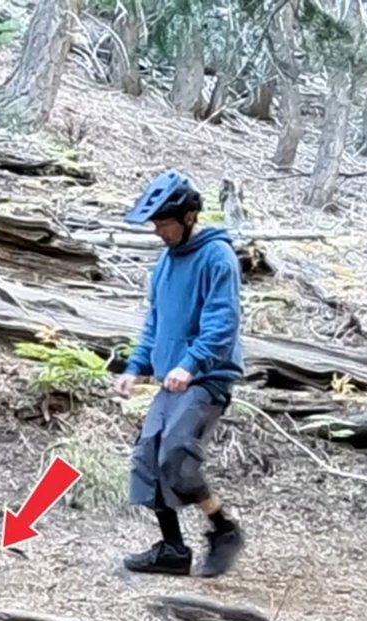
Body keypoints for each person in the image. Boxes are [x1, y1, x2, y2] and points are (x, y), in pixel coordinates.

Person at [111, 170, 244, 578]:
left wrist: (191, 365)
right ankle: (172, 549)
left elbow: (223, 324)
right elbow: (155, 323)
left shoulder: (217, 257)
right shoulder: (165, 264)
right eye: (155, 223)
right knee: (147, 455)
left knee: (176, 458)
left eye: (163, 223)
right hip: (173, 378)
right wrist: (136, 367)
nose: (157, 231)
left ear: (187, 218)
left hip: (206, 379)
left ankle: (224, 529)